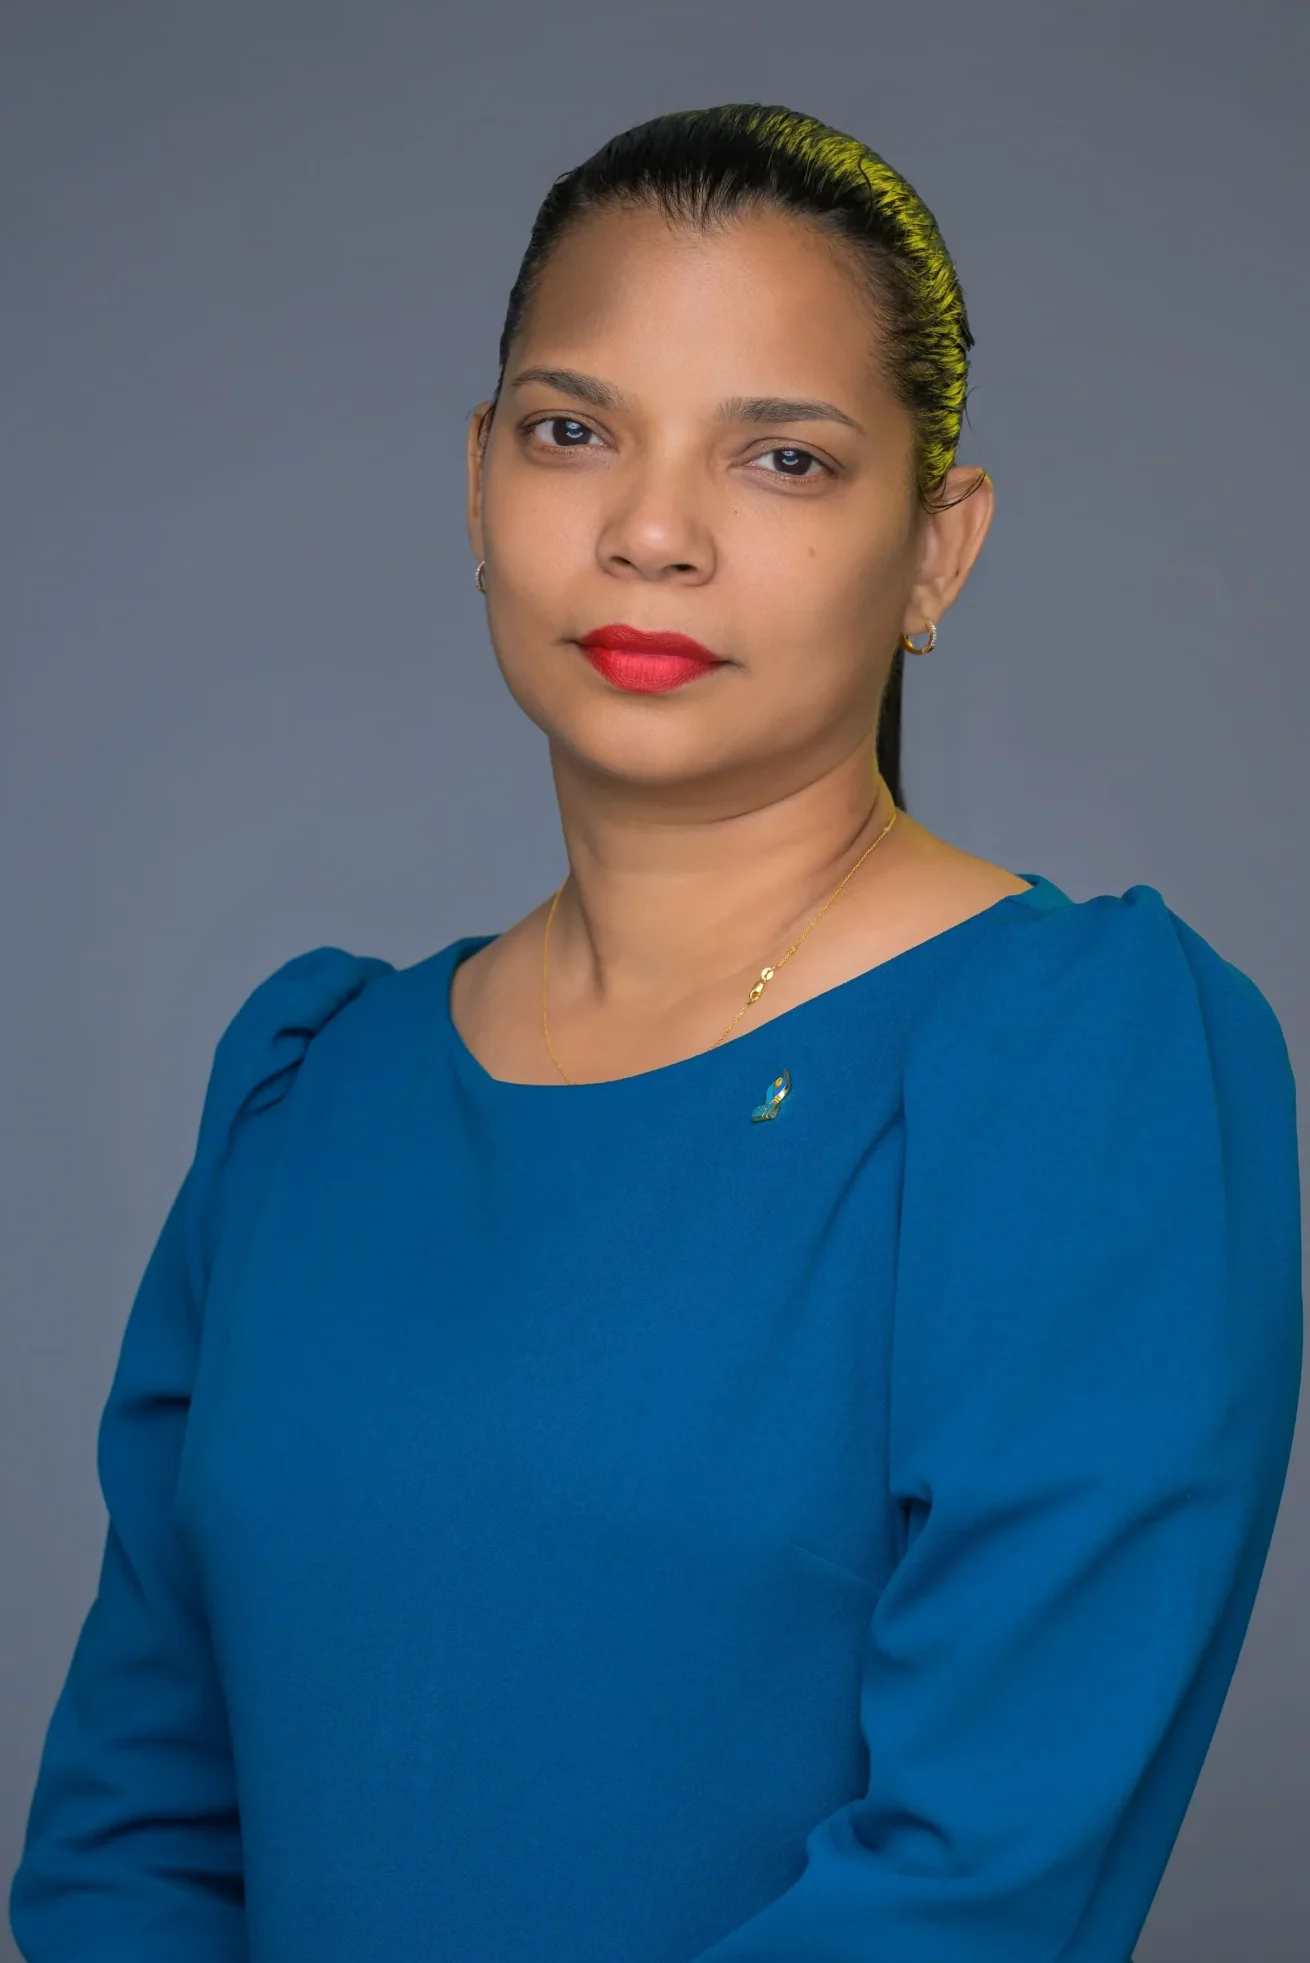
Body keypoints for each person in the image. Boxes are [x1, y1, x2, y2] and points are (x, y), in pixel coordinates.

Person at [8, 103, 1302, 1963]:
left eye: (781, 457)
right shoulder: (310, 1089)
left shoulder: (1078, 1066)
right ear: (475, 479)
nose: (648, 533)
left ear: (935, 547)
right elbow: (131, 1835)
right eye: (572, 431)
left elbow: (973, 1885)